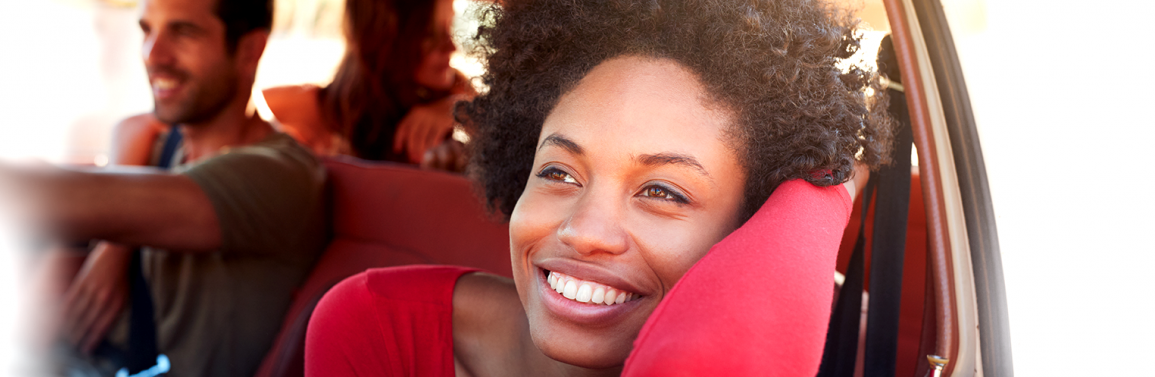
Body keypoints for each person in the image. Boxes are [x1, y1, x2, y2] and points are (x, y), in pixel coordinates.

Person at [304, 0, 894, 375]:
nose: (583, 232)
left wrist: (827, 186)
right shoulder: (374, 327)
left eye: (664, 192)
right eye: (559, 173)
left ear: (751, 230)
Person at [0, 0, 327, 375]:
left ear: (250, 49)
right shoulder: (160, 148)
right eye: (146, 30)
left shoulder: (279, 176)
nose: (152, 55)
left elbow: (55, 197)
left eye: (183, 32)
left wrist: (115, 238)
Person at [262, 0, 471, 170]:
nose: (452, 46)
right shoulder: (320, 110)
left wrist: (460, 109)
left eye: (450, 27)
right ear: (383, 38)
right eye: (430, 35)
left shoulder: (461, 95)